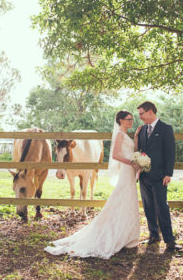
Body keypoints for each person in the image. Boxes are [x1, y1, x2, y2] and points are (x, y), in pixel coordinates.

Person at [44, 111, 141, 259]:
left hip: (129, 171)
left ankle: (127, 233)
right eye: (128, 119)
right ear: (120, 120)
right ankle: (118, 232)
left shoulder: (125, 135)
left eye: (132, 119)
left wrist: (136, 142)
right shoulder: (119, 135)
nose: (131, 121)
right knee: (121, 199)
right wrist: (132, 162)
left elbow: (131, 150)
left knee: (127, 200)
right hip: (127, 169)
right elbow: (115, 156)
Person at [135, 101, 182, 251]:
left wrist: (168, 173)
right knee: (148, 207)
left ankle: (170, 241)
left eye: (141, 114)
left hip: (160, 176)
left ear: (150, 112)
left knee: (162, 207)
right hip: (144, 176)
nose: (140, 117)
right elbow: (141, 150)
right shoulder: (142, 130)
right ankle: (154, 235)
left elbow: (170, 152)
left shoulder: (165, 129)